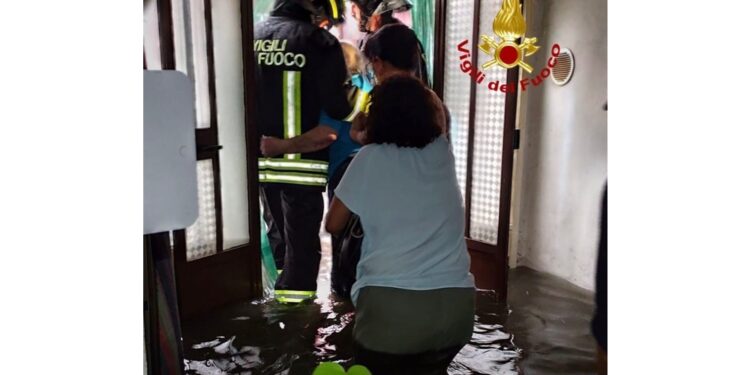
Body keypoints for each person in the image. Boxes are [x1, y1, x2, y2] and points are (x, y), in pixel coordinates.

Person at [325, 75, 475, 374]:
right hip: (456, 313)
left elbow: (333, 223)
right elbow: (436, 112)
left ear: (376, 116)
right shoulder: (442, 152)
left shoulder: (368, 158)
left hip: (392, 318)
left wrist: (364, 133)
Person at [254, 0, 353, 304]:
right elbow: (339, 108)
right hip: (302, 164)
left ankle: (278, 303)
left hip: (260, 161)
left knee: (278, 235)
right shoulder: (319, 42)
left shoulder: (251, 35)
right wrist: (357, 93)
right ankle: (297, 321)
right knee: (303, 246)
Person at [260, 42, 374, 298]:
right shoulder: (366, 90)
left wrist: (279, 145)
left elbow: (325, 135)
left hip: (345, 174)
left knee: (344, 244)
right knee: (361, 242)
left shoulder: (338, 97)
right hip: (367, 168)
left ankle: (343, 297)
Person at [349, 0, 430, 86]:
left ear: (374, 12)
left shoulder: (400, 44)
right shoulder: (369, 40)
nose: (352, 13)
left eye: (355, 6)